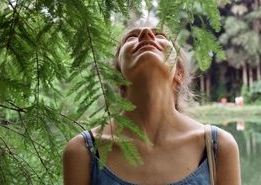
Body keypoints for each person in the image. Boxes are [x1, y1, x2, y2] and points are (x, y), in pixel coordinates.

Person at [63, 24, 241, 185]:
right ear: (119, 78)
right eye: (131, 38)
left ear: (179, 73)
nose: (146, 34)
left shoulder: (218, 147)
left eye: (160, 36)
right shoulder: (82, 152)